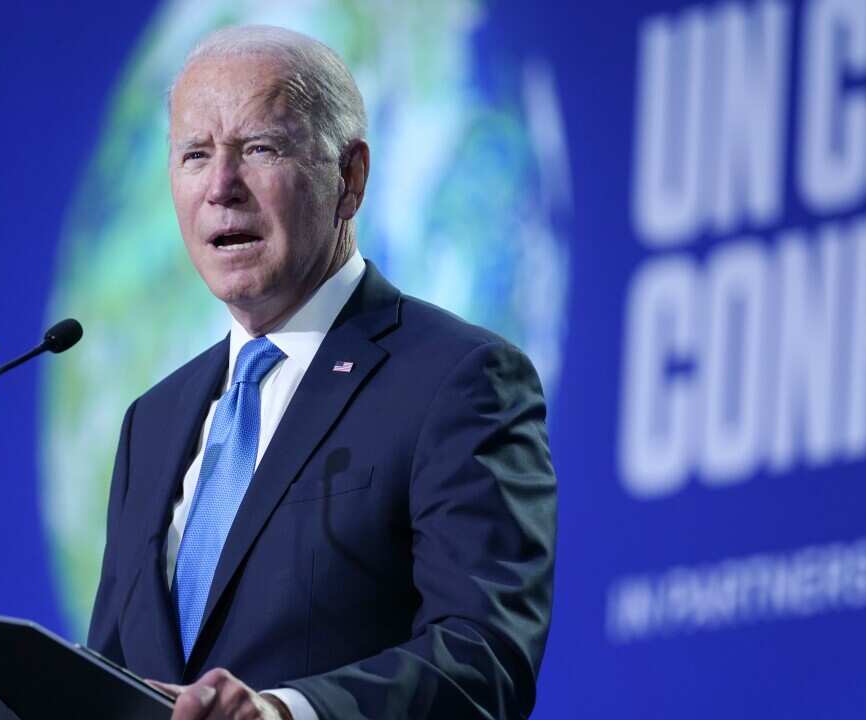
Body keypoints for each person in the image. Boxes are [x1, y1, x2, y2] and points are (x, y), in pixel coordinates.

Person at [88, 25, 556, 720]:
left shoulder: (459, 379)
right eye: (194, 154)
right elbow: (105, 675)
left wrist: (283, 714)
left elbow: (485, 658)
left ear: (350, 178)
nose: (221, 187)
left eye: (260, 149)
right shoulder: (151, 424)